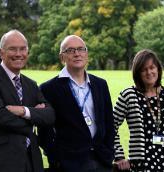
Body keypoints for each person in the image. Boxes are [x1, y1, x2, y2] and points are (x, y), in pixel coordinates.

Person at [0, 29, 55, 172]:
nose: (18, 54)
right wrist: (34, 118)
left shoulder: (31, 84)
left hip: (31, 161)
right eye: (12, 49)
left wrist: (24, 111)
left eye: (23, 49)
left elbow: (49, 116)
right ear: (1, 53)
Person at [38, 35, 115, 172]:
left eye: (81, 49)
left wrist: (108, 151)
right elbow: (45, 132)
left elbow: (109, 122)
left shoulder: (100, 84)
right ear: (62, 57)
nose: (77, 54)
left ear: (86, 54)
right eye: (71, 50)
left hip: (101, 161)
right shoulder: (48, 88)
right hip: (69, 164)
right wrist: (56, 157)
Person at [113, 49, 164, 172]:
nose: (149, 72)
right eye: (144, 69)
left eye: (152, 67)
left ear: (158, 69)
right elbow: (109, 126)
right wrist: (119, 156)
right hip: (141, 166)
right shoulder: (129, 95)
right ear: (137, 73)